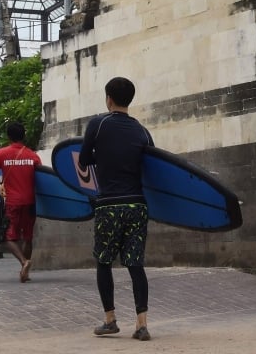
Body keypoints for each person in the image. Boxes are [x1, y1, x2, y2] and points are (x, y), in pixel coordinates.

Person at [78, 77, 154, 341]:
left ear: (108, 98)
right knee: (135, 264)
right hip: (137, 204)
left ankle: (110, 320)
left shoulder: (98, 125)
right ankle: (141, 324)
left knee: (104, 261)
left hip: (109, 205)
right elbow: (151, 168)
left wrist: (104, 156)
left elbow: (85, 160)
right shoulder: (142, 131)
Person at [0, 121, 41, 283]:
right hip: (31, 202)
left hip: (13, 203)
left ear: (9, 136)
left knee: (8, 236)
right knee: (28, 237)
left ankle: (24, 262)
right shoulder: (32, 155)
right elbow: (42, 181)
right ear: (23, 136)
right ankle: (26, 273)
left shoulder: (1, 154)